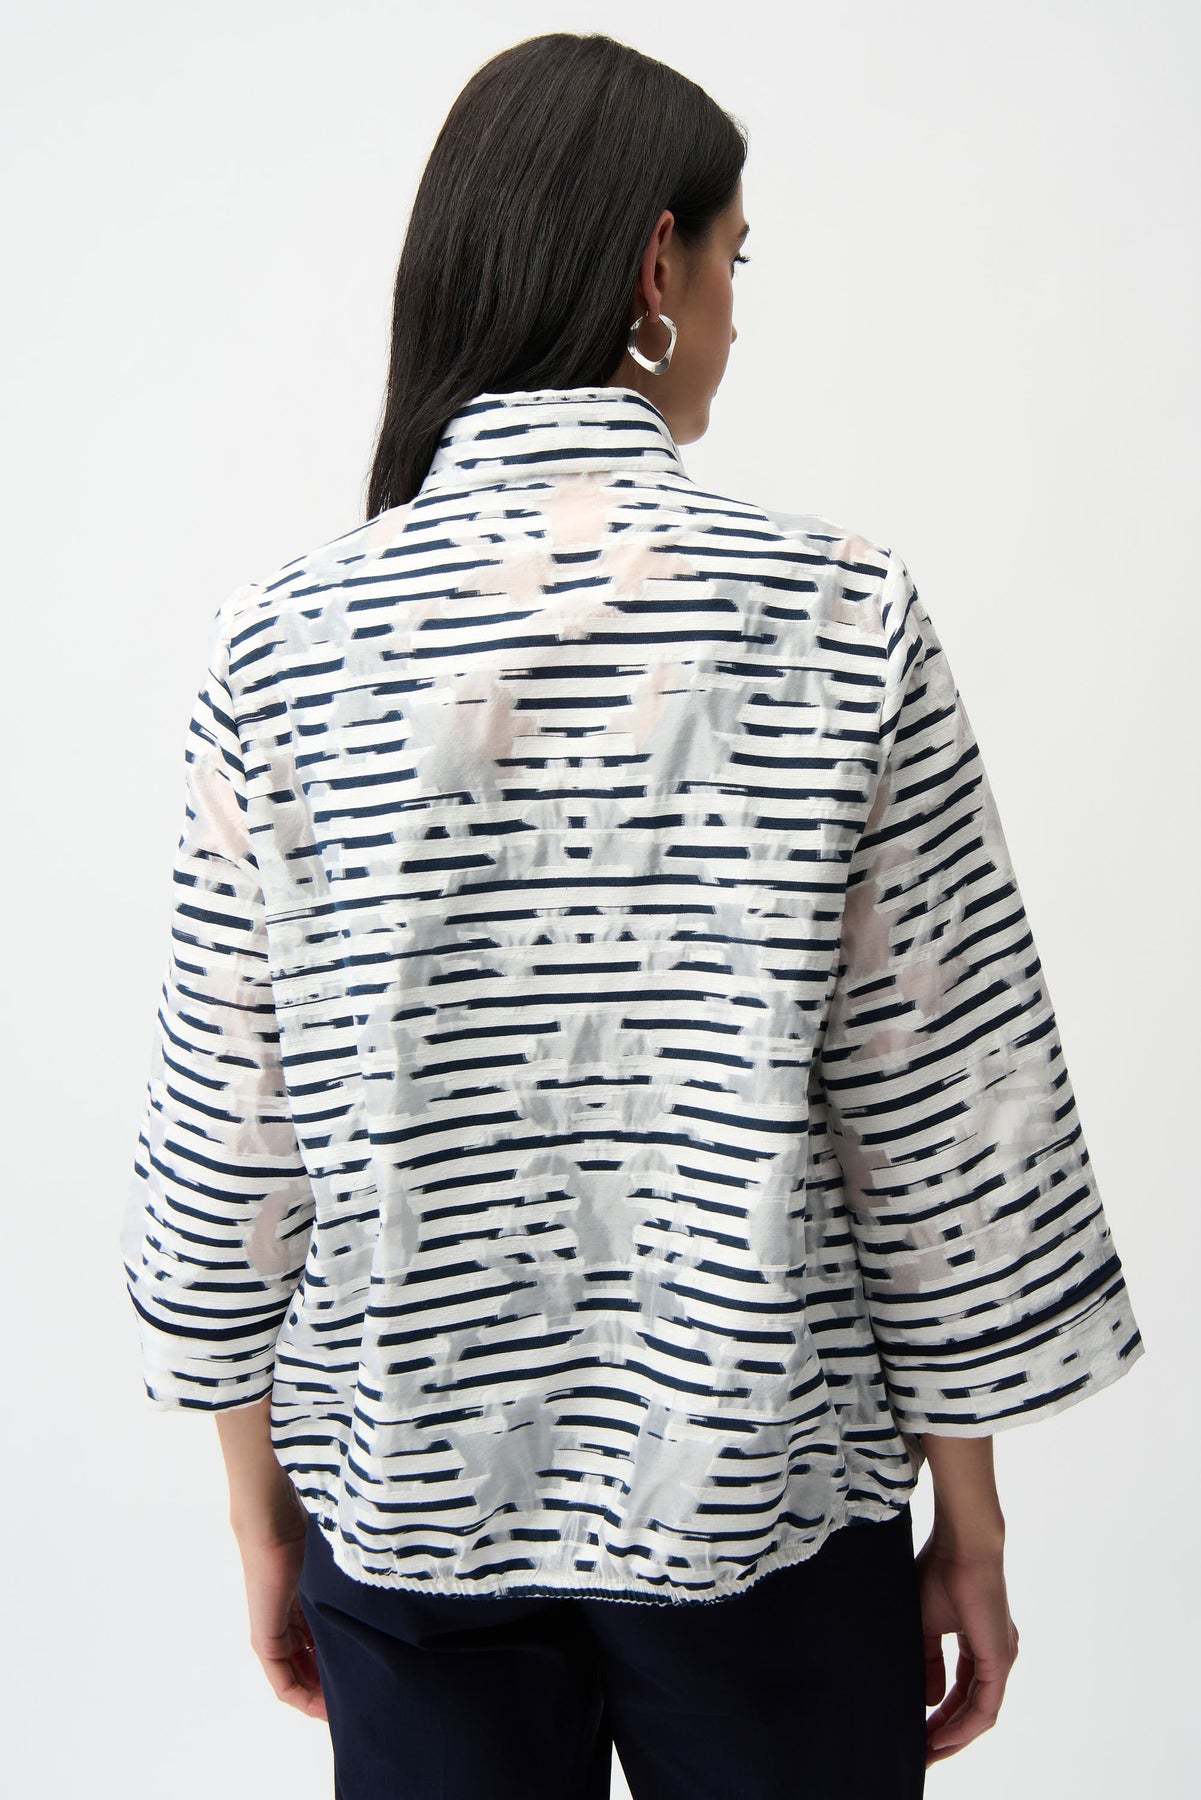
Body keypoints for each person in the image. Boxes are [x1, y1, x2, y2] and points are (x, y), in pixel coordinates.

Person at [121, 29, 1146, 1800]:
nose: (738, 314)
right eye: (735, 261)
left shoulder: (280, 644)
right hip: (765, 1498)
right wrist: (968, 1518)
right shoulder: (837, 613)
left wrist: (256, 1505)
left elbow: (229, 1127)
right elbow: (941, 1112)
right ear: (655, 268)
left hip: (408, 1501)